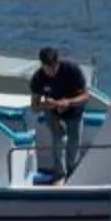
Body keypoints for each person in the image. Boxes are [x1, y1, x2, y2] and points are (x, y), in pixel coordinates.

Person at [28, 46, 89, 184]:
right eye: (47, 68)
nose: (50, 71)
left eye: (53, 67)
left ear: (58, 62)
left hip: (74, 108)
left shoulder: (72, 70)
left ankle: (72, 171)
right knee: (59, 136)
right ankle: (59, 173)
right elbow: (34, 106)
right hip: (52, 111)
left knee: (74, 139)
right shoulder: (38, 78)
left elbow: (85, 96)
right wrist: (47, 104)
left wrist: (67, 102)